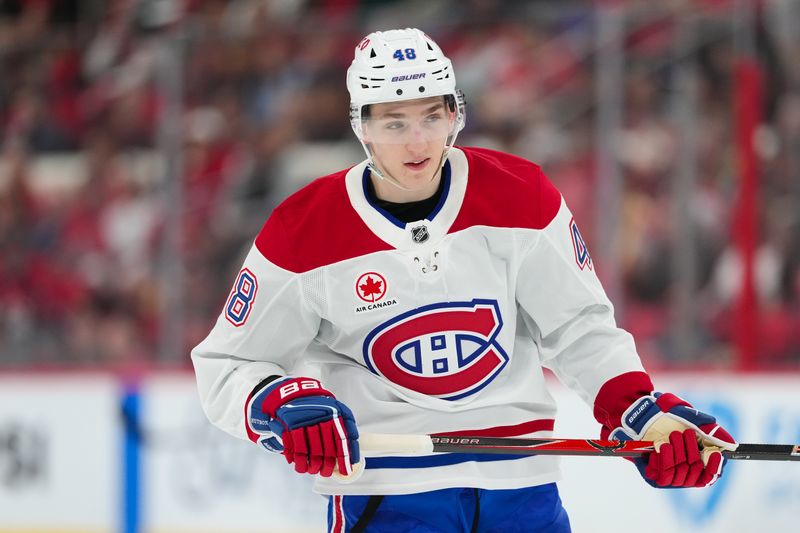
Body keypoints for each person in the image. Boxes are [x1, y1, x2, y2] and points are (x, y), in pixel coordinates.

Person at [191, 28, 736, 532]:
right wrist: (280, 401)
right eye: (394, 122)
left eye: (432, 116)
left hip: (522, 491)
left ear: (456, 113)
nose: (416, 142)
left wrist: (637, 410)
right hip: (389, 496)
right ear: (361, 125)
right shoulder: (303, 229)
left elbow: (578, 328)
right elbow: (228, 365)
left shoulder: (523, 197)